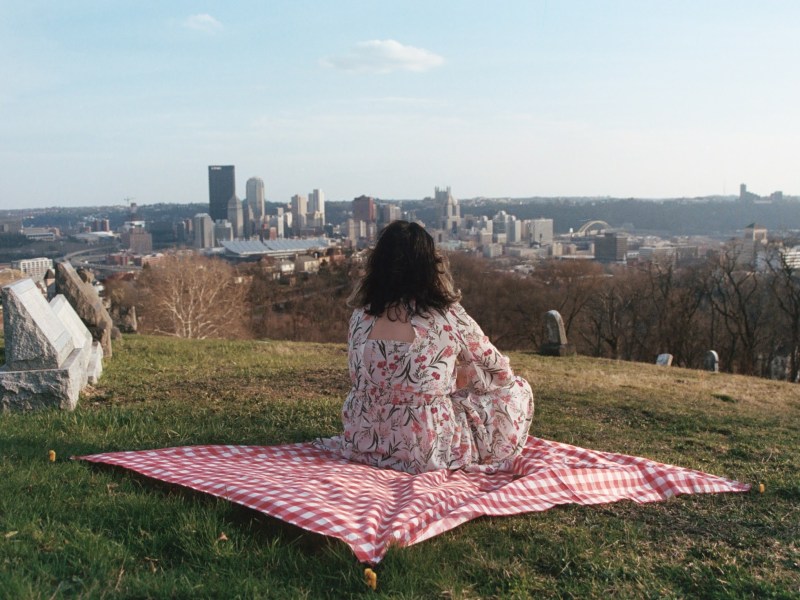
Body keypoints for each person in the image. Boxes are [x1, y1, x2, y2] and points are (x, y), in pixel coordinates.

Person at [319, 220, 533, 474]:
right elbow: (498, 370)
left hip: (362, 440)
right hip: (424, 449)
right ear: (430, 265)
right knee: (517, 389)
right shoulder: (447, 317)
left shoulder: (361, 316)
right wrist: (463, 379)